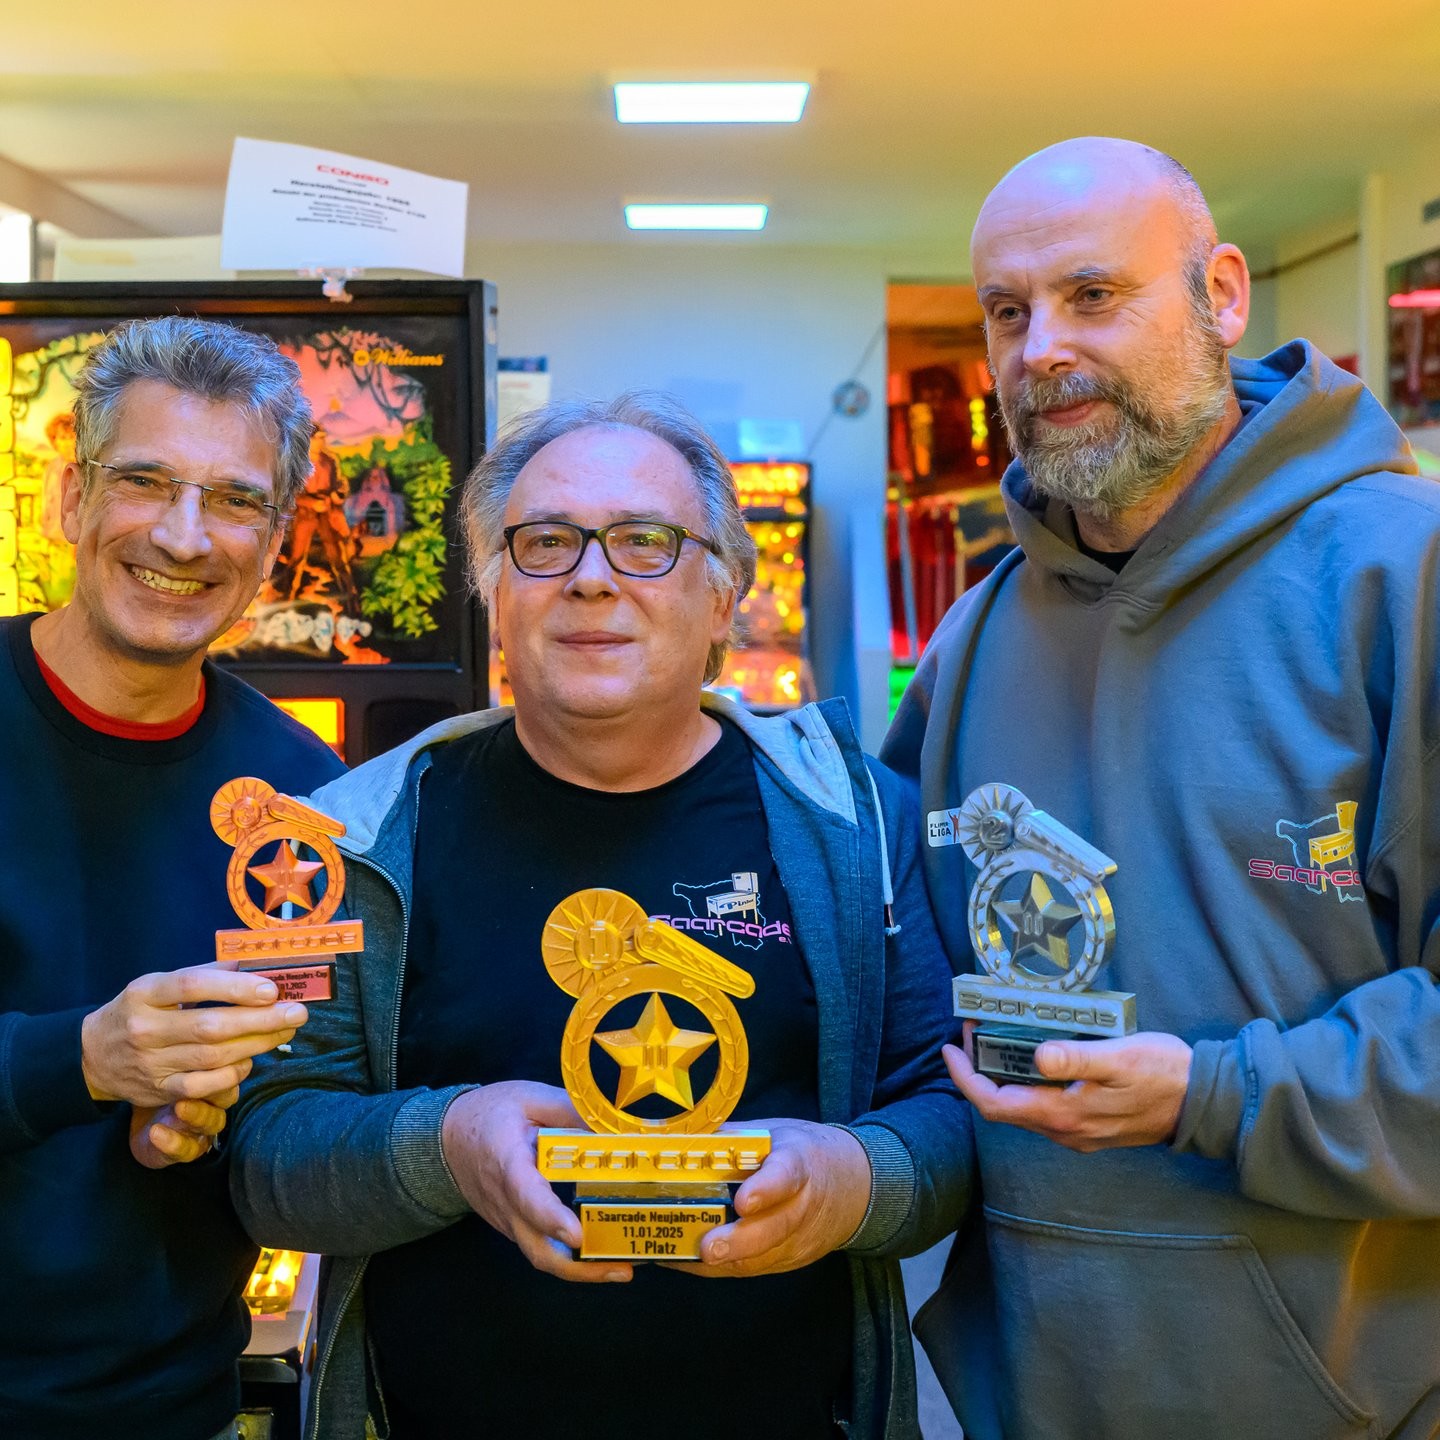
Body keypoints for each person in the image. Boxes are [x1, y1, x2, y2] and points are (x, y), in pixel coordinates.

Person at [228, 393, 969, 1440]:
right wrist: (450, 1144)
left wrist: (855, 1182)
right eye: (545, 542)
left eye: (644, 541)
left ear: (724, 597)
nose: (590, 576)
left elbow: (949, 1108)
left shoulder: (859, 826)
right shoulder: (356, 838)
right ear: (495, 591)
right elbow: (266, 1158)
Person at [883, 136, 1440, 1439]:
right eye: (1008, 312)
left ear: (1222, 295)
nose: (1042, 351)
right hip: (1029, 1392)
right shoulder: (976, 634)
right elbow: (896, 986)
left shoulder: (1400, 579)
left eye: (1093, 295)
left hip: (1356, 1399)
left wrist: (1211, 1094)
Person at [0, 315, 345, 1440]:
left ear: (275, 540)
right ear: (72, 498)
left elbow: (303, 1083)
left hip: (168, 1404)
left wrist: (213, 1128)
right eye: (144, 481)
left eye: (235, 500)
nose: (184, 536)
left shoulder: (305, 801)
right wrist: (82, 1059)